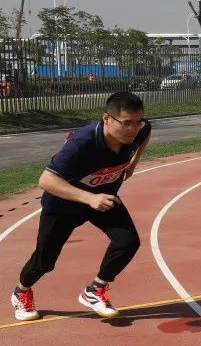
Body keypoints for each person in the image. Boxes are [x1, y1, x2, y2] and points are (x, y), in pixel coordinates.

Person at [11, 92, 151, 321]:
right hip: (63, 205)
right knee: (44, 262)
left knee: (128, 242)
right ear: (107, 119)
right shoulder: (82, 143)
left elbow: (146, 132)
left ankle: (95, 289)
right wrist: (89, 198)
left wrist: (133, 162)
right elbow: (46, 180)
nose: (133, 129)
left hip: (103, 198)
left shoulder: (140, 131)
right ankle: (21, 291)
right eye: (126, 123)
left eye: (137, 122)